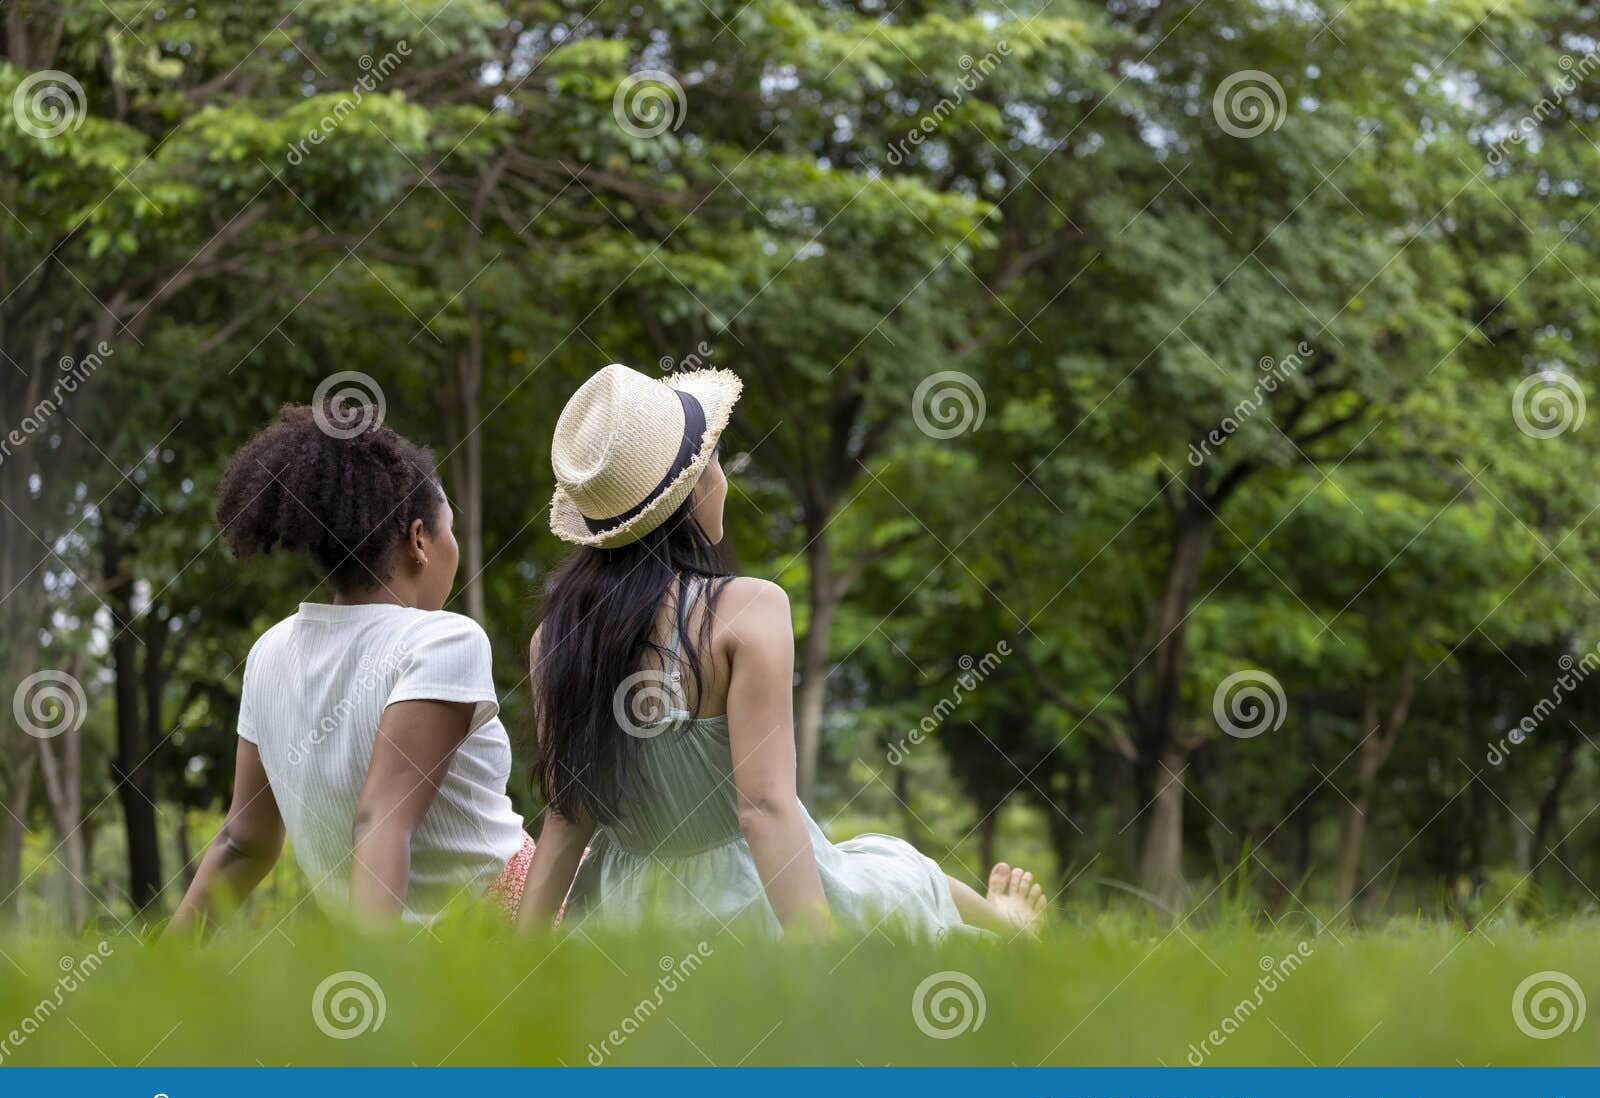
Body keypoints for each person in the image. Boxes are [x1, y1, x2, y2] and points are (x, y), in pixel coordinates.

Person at [516, 363, 1047, 940]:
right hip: (747, 900)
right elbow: (764, 808)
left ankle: (1004, 925)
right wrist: (819, 965)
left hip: (623, 916)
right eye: (713, 461)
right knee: (901, 873)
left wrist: (518, 974)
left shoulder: (556, 639)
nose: (721, 476)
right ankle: (1010, 929)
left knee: (883, 861)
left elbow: (568, 823)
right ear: (692, 489)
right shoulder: (747, 610)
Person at [171, 400, 531, 932]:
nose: (454, 545)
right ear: (419, 542)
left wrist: (163, 962)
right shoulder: (444, 639)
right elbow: (382, 820)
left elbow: (241, 843)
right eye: (449, 528)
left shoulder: (269, 652)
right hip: (501, 931)